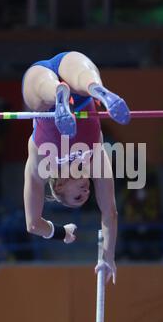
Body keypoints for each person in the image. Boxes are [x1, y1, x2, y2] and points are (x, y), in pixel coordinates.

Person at [22, 51, 131, 284]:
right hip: (78, 99)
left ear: (59, 186)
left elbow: (33, 224)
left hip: (46, 107)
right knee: (86, 79)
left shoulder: (43, 163)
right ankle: (95, 90)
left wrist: (63, 233)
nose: (87, 191)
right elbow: (110, 212)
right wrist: (107, 257)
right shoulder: (94, 160)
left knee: (40, 98)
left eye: (78, 196)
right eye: (86, 195)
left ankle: (59, 93)